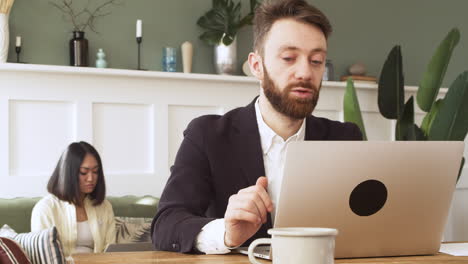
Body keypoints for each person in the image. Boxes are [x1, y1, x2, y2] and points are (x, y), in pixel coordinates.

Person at [151, 0, 362, 254]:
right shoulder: (207, 135)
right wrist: (226, 233)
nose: (305, 72)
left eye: (316, 60)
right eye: (288, 58)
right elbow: (166, 225)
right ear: (256, 66)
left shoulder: (345, 139)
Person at [31, 141, 116, 257]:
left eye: (95, 171)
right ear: (69, 173)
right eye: (84, 172)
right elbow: (43, 257)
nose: (91, 178)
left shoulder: (105, 207)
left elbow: (111, 252)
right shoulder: (45, 208)